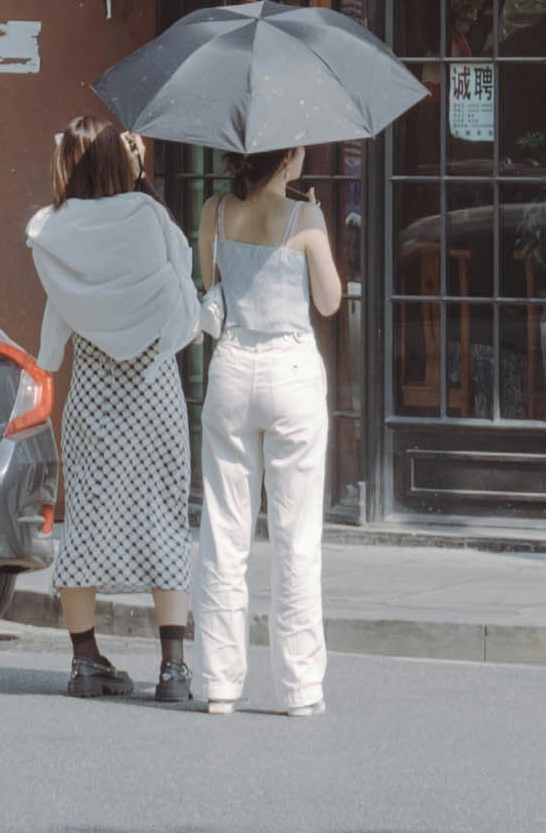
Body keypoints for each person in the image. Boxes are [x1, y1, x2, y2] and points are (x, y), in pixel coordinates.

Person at [18, 116, 201, 705]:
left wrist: (47, 360)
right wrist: (143, 179)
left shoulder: (54, 231)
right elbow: (180, 272)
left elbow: (59, 311)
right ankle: (172, 668)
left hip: (93, 393)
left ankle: (85, 660)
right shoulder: (147, 216)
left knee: (89, 520)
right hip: (152, 389)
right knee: (163, 516)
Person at [185, 150, 345, 719]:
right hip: (291, 367)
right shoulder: (305, 217)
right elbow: (329, 300)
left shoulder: (215, 211)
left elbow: (213, 283)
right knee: (295, 536)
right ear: (286, 157)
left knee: (223, 531)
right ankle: (300, 689)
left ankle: (219, 684)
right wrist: (314, 224)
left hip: (233, 363)